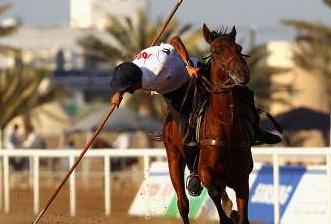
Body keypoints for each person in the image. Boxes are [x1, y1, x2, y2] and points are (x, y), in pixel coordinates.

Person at [110, 36, 280, 196]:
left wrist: (187, 65)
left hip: (193, 71)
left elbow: (174, 40)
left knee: (244, 92)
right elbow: (125, 80)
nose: (131, 91)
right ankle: (194, 173)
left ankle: (257, 130)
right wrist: (119, 92)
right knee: (185, 133)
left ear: (136, 81)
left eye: (130, 88)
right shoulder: (132, 70)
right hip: (173, 93)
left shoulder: (159, 63)